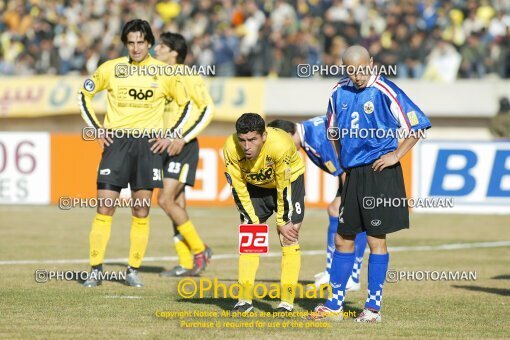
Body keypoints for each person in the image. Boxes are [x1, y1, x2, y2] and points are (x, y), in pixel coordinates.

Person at [309, 45, 431, 322]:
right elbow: (332, 131)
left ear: (372, 63)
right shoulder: (337, 91)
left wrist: (396, 155)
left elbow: (418, 125)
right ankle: (334, 304)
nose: (358, 76)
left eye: (362, 69)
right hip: (353, 174)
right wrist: (343, 164)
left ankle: (372, 308)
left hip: (379, 173)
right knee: (343, 238)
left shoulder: (385, 90)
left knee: (376, 239)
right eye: (351, 71)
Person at [78, 19, 190, 287]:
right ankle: (95, 270)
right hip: (116, 144)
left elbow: (185, 105)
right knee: (105, 207)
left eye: (141, 42)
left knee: (140, 211)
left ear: (149, 43)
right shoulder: (111, 69)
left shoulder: (165, 72)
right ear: (125, 44)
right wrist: (95, 129)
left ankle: (132, 270)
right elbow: (84, 94)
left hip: (147, 146)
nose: (136, 47)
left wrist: (171, 133)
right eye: (131, 42)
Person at [267, 118, 367, 292]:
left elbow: (344, 172)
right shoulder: (309, 132)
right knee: (335, 210)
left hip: (363, 170)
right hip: (354, 170)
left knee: (353, 215)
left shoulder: (317, 140)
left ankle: (351, 276)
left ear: (289, 135)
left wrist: (348, 200)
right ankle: (334, 272)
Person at [222, 113, 305, 313]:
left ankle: (286, 302)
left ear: (264, 136)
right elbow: (238, 187)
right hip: (255, 186)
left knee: (288, 237)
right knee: (249, 236)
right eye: (242, 140)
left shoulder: (281, 145)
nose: (247, 146)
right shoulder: (230, 148)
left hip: (289, 182)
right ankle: (244, 300)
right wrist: (251, 221)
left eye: (252, 139)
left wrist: (283, 220)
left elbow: (283, 185)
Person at [154, 32, 214, 277]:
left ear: (174, 53)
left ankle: (200, 251)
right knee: (176, 204)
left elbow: (207, 108)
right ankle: (185, 262)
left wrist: (183, 137)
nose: (156, 49)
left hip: (183, 146)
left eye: (161, 46)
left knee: (164, 200)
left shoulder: (187, 75)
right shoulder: (160, 76)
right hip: (166, 145)